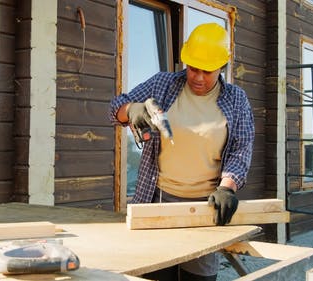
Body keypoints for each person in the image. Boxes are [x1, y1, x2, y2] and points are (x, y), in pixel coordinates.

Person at [109, 23, 255, 281]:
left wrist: (227, 187)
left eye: (207, 71)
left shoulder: (236, 99)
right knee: (154, 273)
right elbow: (116, 108)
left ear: (222, 66)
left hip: (204, 207)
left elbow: (241, 149)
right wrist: (132, 110)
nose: (198, 77)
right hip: (158, 201)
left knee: (198, 278)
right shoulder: (163, 84)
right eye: (193, 68)